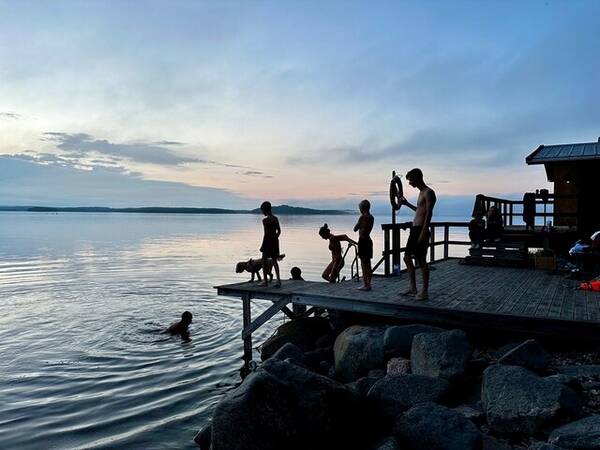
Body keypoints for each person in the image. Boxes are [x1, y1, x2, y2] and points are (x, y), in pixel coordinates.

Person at [400, 168, 436, 300]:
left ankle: (424, 291)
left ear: (417, 178)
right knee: (407, 257)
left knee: (421, 260)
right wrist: (406, 204)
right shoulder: (421, 193)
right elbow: (419, 210)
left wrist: (424, 231)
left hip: (422, 229)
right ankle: (413, 287)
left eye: (410, 180)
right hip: (415, 229)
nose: (409, 183)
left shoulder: (429, 192)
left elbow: (428, 213)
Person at [259, 201, 282, 287]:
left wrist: (263, 245)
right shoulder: (275, 218)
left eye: (262, 211)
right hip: (275, 241)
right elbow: (279, 231)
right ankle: (278, 280)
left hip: (267, 242)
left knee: (264, 261)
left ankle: (265, 281)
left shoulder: (265, 220)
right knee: (274, 261)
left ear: (265, 210)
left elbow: (266, 234)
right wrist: (275, 238)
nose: (262, 213)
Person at [354, 200, 374, 291]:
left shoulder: (362, 217)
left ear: (362, 208)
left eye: (360, 209)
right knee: (368, 264)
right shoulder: (371, 217)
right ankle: (368, 283)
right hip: (369, 240)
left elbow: (355, 228)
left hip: (363, 240)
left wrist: (359, 223)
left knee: (363, 263)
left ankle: (366, 284)